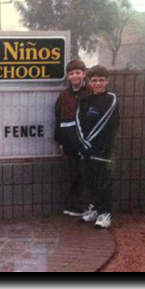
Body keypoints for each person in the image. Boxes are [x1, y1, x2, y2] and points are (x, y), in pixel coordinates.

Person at [76, 65, 120, 229]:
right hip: (87, 149)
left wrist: (89, 142)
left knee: (104, 181)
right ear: (89, 81)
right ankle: (95, 209)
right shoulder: (85, 101)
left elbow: (107, 123)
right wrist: (83, 143)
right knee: (91, 181)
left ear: (107, 81)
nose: (98, 83)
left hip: (104, 150)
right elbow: (78, 123)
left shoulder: (111, 99)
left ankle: (105, 213)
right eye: (94, 80)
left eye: (101, 80)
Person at [54, 59, 91, 217]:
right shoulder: (64, 95)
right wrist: (60, 141)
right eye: (72, 73)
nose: (75, 76)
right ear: (68, 76)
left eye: (78, 72)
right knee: (73, 174)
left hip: (86, 140)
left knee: (87, 174)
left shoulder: (90, 92)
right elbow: (58, 118)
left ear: (84, 73)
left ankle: (90, 206)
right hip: (69, 141)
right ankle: (75, 207)